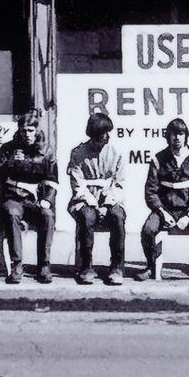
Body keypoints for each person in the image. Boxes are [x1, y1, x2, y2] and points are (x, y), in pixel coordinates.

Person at [136, 116, 189, 283]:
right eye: (173, 134)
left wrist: (188, 216)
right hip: (164, 210)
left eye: (181, 134)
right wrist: (163, 213)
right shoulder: (158, 159)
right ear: (168, 136)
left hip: (188, 211)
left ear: (186, 136)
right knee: (147, 231)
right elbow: (150, 191)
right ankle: (151, 267)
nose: (177, 137)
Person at [0, 110, 59, 284]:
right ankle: (17, 264)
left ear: (37, 130)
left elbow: (53, 180)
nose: (27, 134)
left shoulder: (47, 151)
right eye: (24, 131)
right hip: (14, 198)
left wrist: (47, 200)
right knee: (11, 213)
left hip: (36, 201)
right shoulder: (8, 149)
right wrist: (10, 163)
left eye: (31, 130)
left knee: (47, 216)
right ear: (19, 131)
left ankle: (44, 265)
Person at [66, 110, 126, 286]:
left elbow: (119, 183)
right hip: (85, 200)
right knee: (87, 217)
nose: (106, 137)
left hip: (110, 199)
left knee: (118, 217)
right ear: (92, 134)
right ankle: (86, 266)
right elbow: (77, 184)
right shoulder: (77, 153)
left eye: (108, 133)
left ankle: (116, 267)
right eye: (101, 134)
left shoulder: (117, 152)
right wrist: (92, 202)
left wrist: (107, 204)